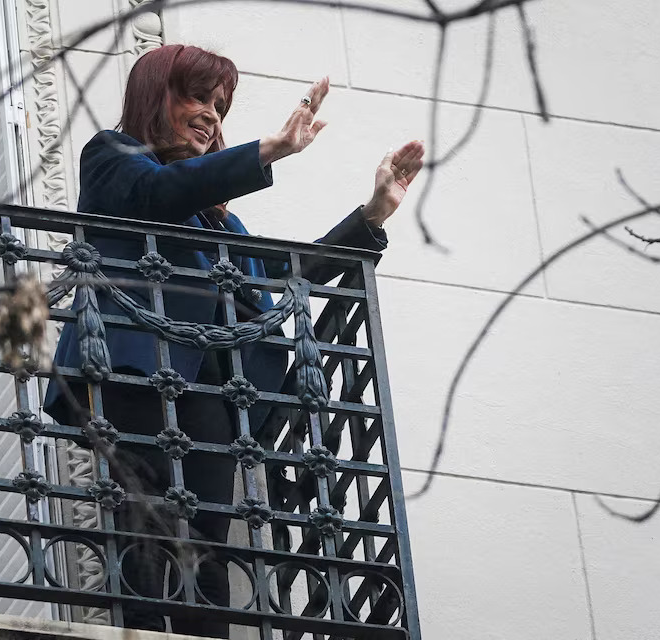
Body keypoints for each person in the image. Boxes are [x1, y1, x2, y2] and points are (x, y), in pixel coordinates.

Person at [43, 44, 423, 637]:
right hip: (137, 369)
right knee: (144, 527)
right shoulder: (113, 157)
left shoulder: (221, 220)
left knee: (207, 543)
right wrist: (271, 150)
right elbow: (158, 195)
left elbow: (283, 278)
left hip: (219, 392)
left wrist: (370, 217)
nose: (212, 115)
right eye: (197, 97)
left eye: (220, 105)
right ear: (156, 96)